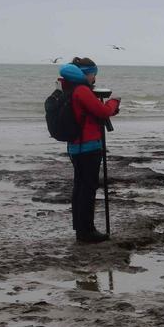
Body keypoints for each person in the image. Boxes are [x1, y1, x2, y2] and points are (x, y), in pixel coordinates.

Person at [57, 58, 120, 243]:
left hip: (75, 146)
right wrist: (114, 103)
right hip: (88, 146)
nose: (94, 78)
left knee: (80, 188)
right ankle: (87, 232)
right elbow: (102, 111)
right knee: (87, 189)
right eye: (94, 74)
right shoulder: (82, 90)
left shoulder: (68, 88)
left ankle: (81, 229)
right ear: (87, 73)